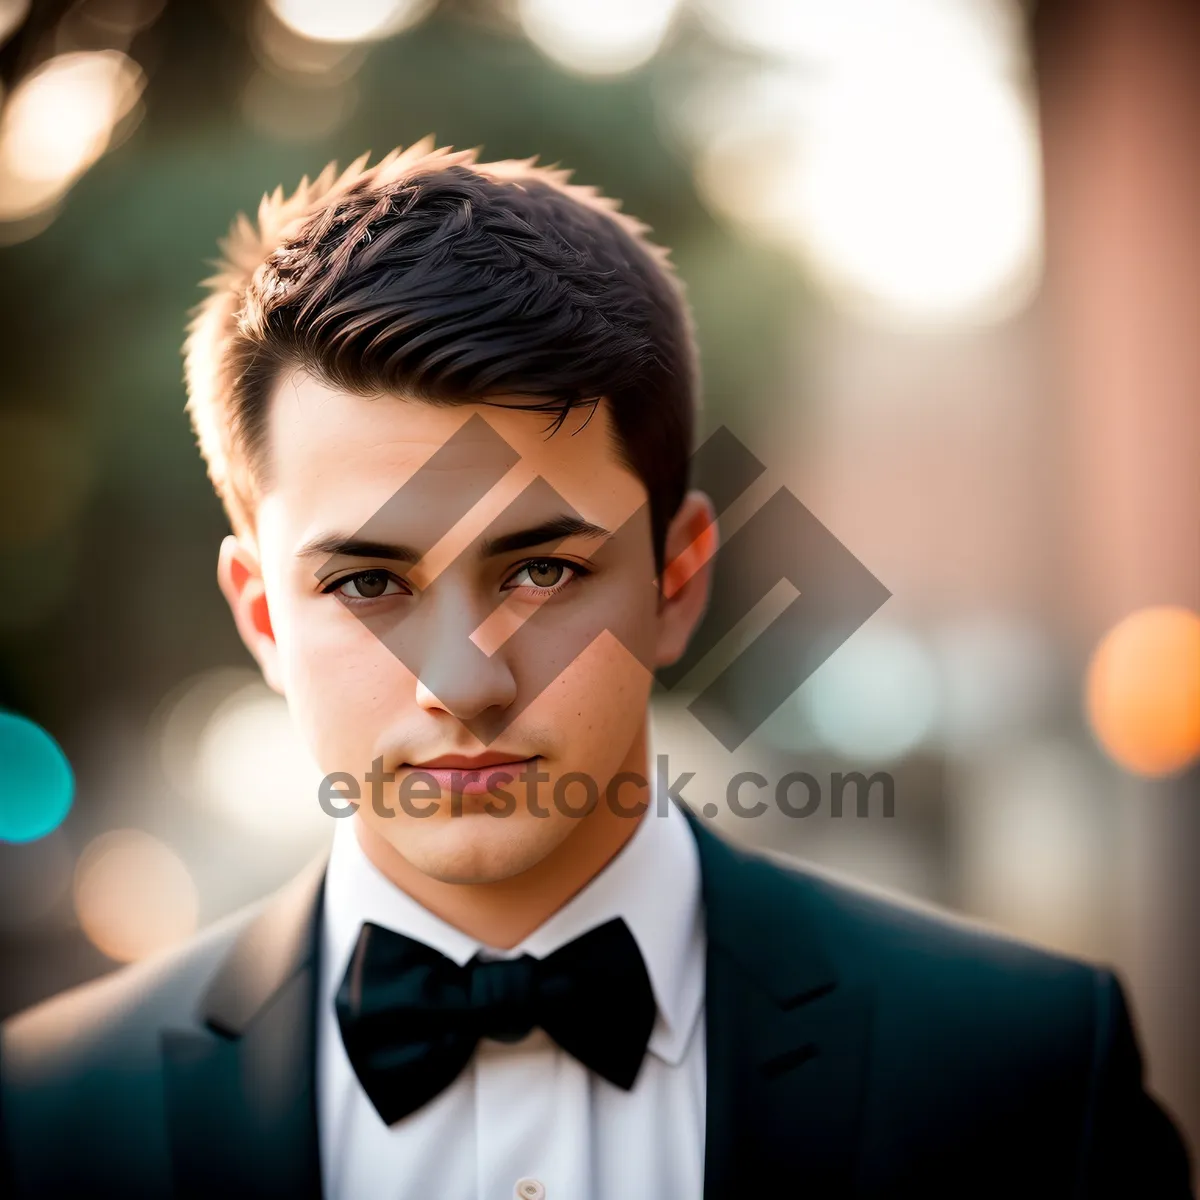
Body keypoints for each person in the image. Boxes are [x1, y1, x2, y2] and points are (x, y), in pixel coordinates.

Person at [0, 139, 1193, 1200]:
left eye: (542, 572)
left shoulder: (1028, 1073)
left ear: (678, 583)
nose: (464, 685)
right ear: (261, 617)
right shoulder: (48, 1121)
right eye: (367, 584)